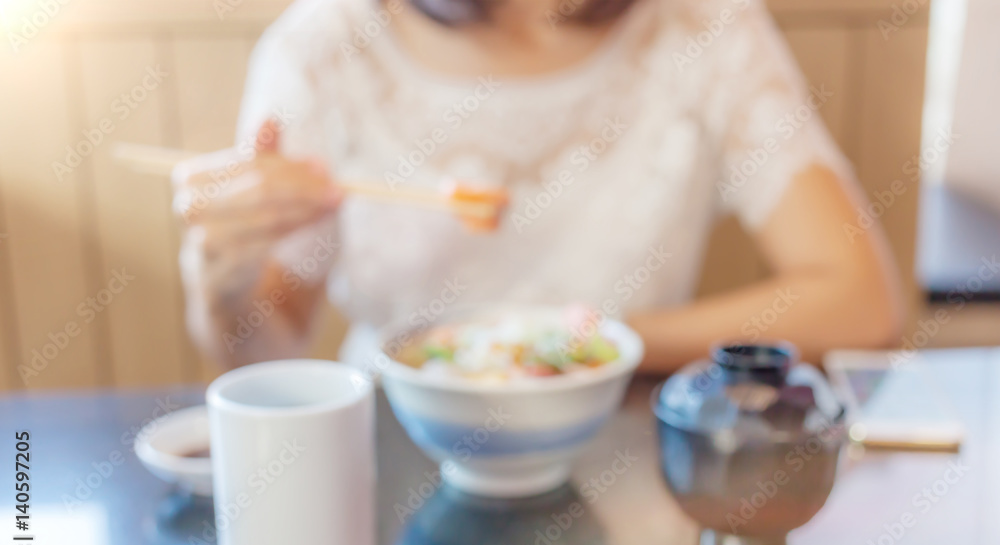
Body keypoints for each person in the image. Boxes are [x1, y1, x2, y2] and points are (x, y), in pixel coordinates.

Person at [173, 0, 902, 373]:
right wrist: (224, 288)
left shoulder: (702, 25)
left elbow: (860, 298)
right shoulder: (324, 46)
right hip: (386, 469)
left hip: (627, 464)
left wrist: (591, 346)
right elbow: (263, 349)